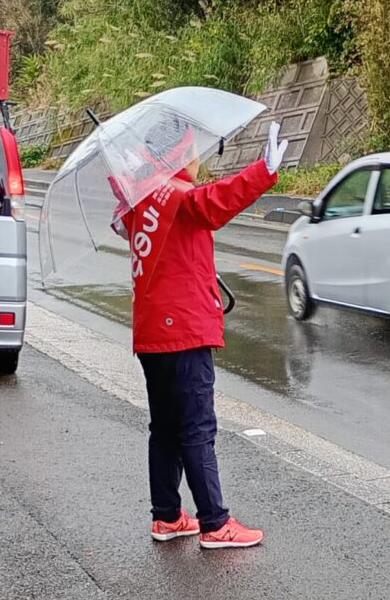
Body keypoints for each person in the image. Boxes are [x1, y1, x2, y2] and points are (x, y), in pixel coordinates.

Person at [119, 120, 287, 549]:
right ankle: (215, 523)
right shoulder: (176, 195)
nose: (198, 161)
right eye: (193, 153)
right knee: (197, 427)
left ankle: (168, 516)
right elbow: (216, 203)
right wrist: (264, 170)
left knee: (165, 428)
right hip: (185, 332)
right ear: (175, 157)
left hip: (153, 332)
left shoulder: (142, 198)